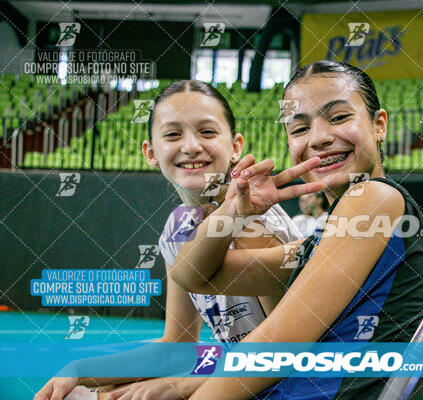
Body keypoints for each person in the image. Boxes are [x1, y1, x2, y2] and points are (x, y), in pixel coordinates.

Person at [169, 60, 423, 399]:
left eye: (339, 117)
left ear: (379, 124)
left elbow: (278, 344)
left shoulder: (371, 196)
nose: (320, 138)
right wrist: (232, 213)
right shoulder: (329, 238)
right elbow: (191, 274)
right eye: (299, 129)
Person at [35, 80, 316, 400]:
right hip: (247, 380)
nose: (191, 146)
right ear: (150, 153)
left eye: (207, 132)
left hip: (299, 387)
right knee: (80, 392)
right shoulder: (177, 228)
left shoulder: (254, 222)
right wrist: (78, 368)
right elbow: (177, 348)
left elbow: (289, 357)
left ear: (235, 146)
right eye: (172, 134)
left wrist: (182, 387)